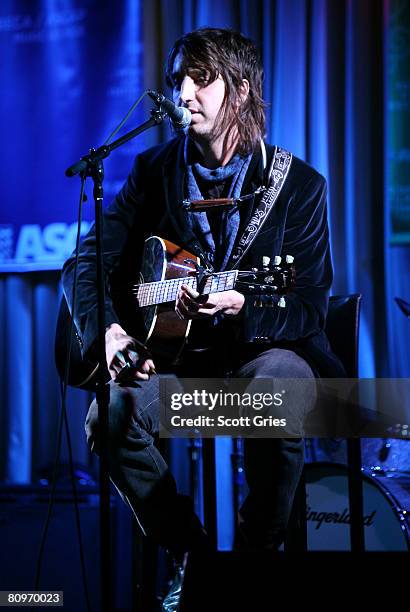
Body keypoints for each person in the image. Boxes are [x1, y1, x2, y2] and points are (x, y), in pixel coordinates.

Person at [61, 27, 344, 607]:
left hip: (256, 360)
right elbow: (83, 265)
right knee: (108, 415)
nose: (184, 92)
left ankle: (254, 563)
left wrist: (246, 304)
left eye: (201, 79)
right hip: (176, 366)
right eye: (177, 80)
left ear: (240, 90)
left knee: (280, 385)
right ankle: (191, 556)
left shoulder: (299, 187)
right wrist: (111, 332)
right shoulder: (152, 173)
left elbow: (311, 300)